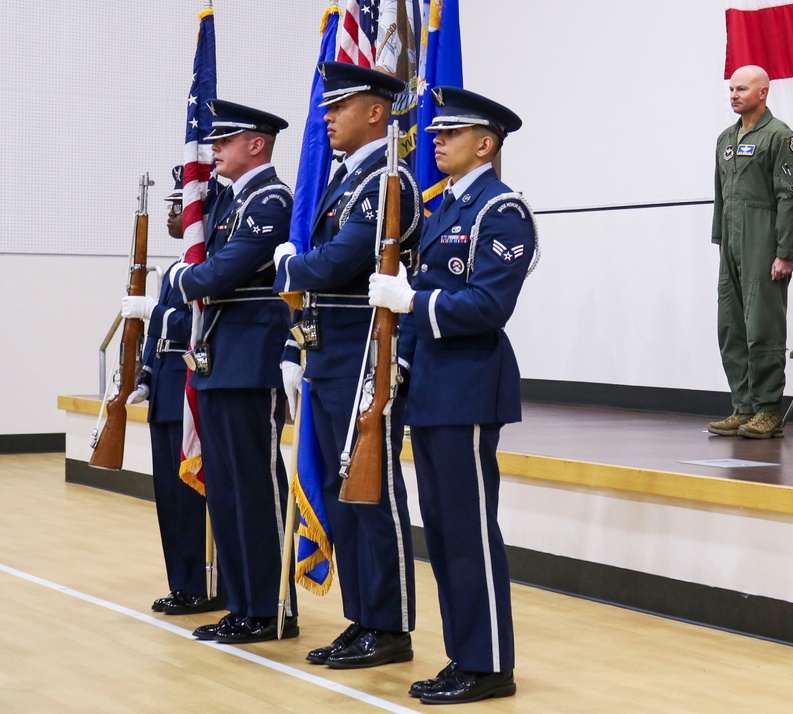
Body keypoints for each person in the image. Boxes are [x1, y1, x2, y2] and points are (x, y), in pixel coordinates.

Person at [369, 86, 538, 705]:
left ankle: (490, 663)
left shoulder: (502, 211)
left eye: (451, 134)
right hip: (435, 387)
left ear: (485, 144)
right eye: (437, 133)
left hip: (469, 385)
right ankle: (466, 654)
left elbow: (489, 305)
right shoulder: (444, 210)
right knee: (441, 532)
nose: (436, 141)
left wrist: (413, 301)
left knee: (469, 531)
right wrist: (399, 364)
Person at [272, 63, 421, 669]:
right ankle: (363, 617)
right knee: (342, 490)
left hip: (368, 351)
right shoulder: (347, 181)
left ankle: (389, 625)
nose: (326, 117)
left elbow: (338, 262)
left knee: (371, 487)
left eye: (341, 107)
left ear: (377, 113)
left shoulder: (390, 182)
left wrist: (289, 266)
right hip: (331, 350)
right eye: (327, 107)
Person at [168, 100, 299, 641]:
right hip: (221, 354)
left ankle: (269, 608)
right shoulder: (227, 200)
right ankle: (243, 602)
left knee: (254, 486)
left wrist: (181, 276)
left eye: (224, 141)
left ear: (257, 144)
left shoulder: (271, 198)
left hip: (252, 355)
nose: (214, 150)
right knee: (225, 487)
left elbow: (223, 270)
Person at [121, 166, 223, 615]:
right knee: (168, 496)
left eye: (180, 206)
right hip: (165, 385)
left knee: (192, 496)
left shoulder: (208, 265)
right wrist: (143, 375)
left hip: (190, 384)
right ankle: (182, 583)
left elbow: (201, 324)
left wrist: (154, 313)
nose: (172, 214)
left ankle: (206, 584)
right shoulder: (179, 267)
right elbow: (159, 335)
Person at [708, 65, 793, 439]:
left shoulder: (780, 136)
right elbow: (720, 194)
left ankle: (767, 409)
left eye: (742, 89)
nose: (734, 94)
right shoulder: (725, 139)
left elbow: (791, 196)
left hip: (763, 241)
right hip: (731, 244)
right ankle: (743, 405)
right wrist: (720, 239)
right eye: (731, 89)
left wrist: (785, 251)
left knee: (763, 325)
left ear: (763, 92)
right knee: (731, 325)